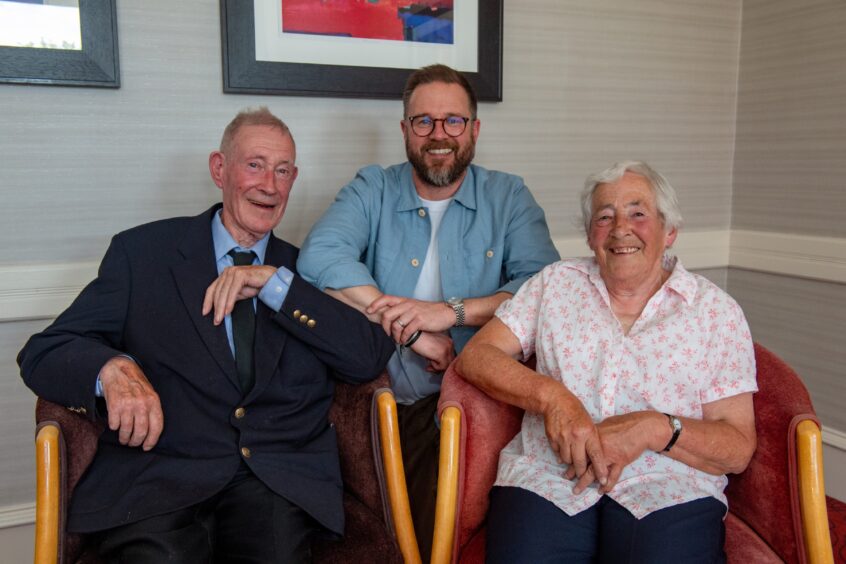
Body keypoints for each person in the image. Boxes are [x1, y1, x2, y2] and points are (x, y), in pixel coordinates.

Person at [18, 107, 395, 563]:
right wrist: (111, 368)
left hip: (274, 481)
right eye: (254, 165)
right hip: (159, 475)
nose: (269, 185)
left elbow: (368, 357)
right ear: (220, 169)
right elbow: (44, 351)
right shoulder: (143, 254)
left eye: (282, 171)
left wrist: (275, 286)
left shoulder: (307, 270)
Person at [297, 64, 560, 558]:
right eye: (424, 122)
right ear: (404, 130)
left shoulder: (508, 197)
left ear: (474, 129)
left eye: (453, 121)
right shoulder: (372, 188)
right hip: (385, 393)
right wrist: (412, 331)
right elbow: (319, 258)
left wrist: (449, 313)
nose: (439, 135)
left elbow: (544, 289)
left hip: (480, 396)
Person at [456, 161, 758, 563]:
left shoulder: (715, 311)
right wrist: (553, 398)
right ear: (588, 233)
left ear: (670, 231)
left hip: (669, 485)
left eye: (638, 213)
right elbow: (476, 356)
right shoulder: (555, 284)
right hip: (549, 477)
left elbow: (737, 446)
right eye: (604, 216)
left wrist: (655, 428)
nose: (620, 229)